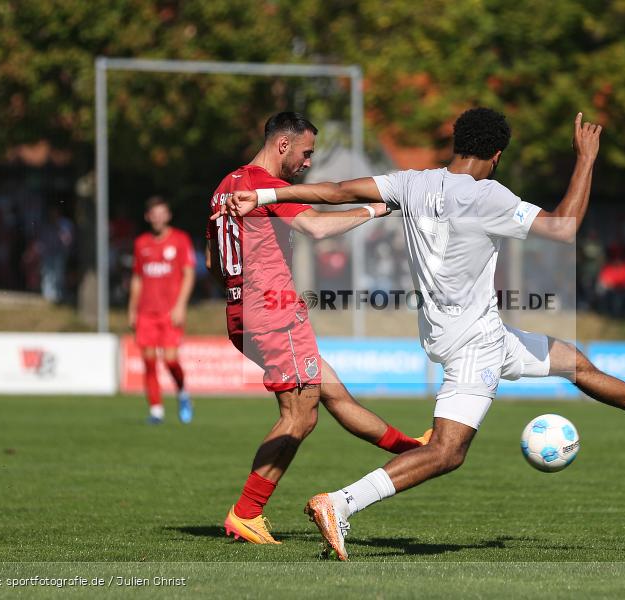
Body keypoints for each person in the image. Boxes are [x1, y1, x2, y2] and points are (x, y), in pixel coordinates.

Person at [223, 108, 625, 560]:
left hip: (467, 331)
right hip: (474, 343)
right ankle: (340, 503)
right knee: (447, 452)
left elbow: (334, 192)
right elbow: (564, 227)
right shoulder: (490, 195)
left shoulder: (413, 182)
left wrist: (265, 194)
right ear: (495, 154)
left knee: (575, 363)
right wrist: (585, 159)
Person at [205, 112, 429, 546]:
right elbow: (319, 228)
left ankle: (414, 449)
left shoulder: (223, 188)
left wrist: (241, 295)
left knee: (330, 391)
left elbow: (214, 262)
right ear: (283, 145)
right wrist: (379, 207)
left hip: (242, 315)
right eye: (306, 153)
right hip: (275, 313)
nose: (308, 163)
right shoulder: (264, 185)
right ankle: (246, 512)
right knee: (300, 415)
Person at [129, 196, 195, 425]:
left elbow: (188, 274)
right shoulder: (141, 243)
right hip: (146, 312)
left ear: (168, 216)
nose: (158, 218)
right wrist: (132, 310)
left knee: (169, 360)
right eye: (153, 214)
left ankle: (182, 392)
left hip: (169, 312)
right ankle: (156, 410)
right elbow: (137, 278)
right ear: (148, 217)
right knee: (148, 362)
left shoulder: (180, 240)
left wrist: (180, 306)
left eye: (162, 213)